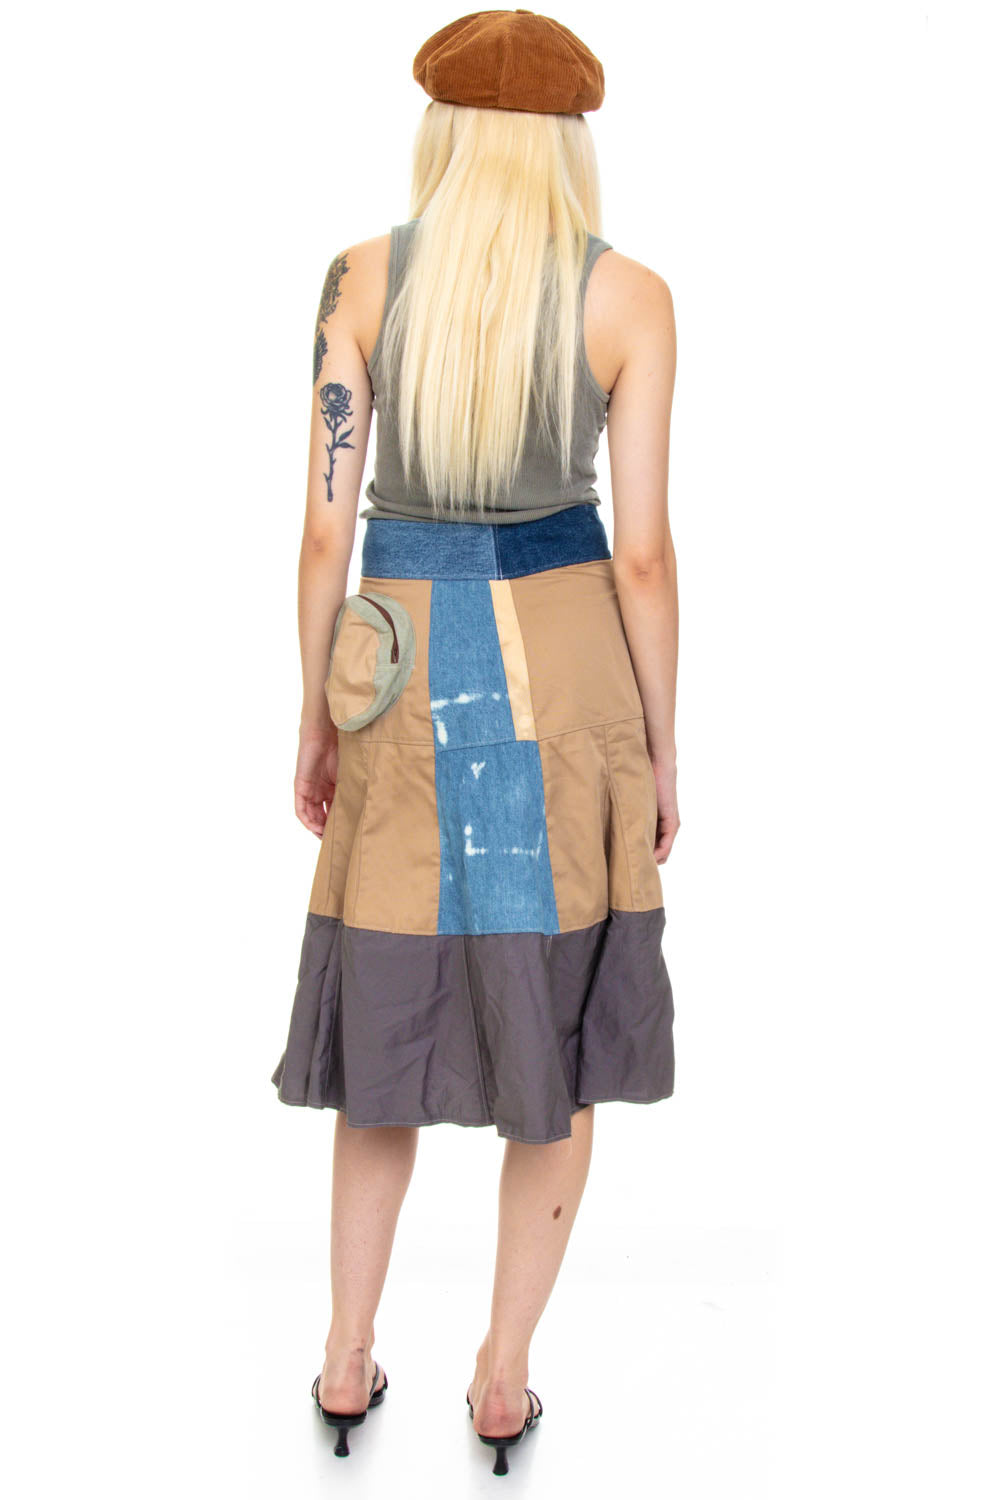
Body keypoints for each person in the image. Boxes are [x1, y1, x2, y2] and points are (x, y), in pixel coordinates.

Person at [269, 9, 680, 1476]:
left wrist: (314, 711)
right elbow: (644, 557)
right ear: (569, 142)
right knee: (552, 1026)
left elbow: (325, 532)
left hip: (396, 671)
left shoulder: (362, 279)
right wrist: (665, 753)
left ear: (440, 130)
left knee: (384, 1019)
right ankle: (502, 1382)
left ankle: (344, 1359)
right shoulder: (628, 297)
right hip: (565, 680)